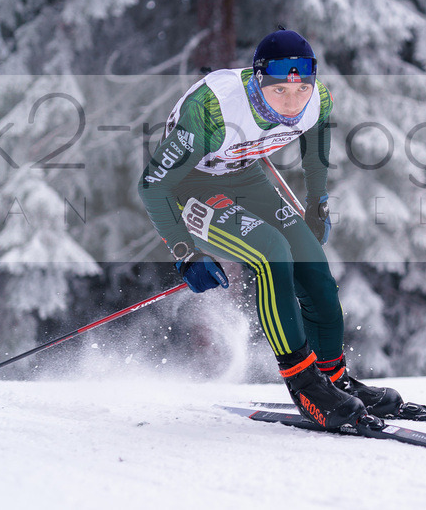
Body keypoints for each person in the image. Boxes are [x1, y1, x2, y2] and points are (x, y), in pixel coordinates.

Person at [138, 29, 402, 430]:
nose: (292, 103)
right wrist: (185, 252)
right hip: (189, 185)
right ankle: (305, 385)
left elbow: (315, 148)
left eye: (301, 90)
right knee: (272, 251)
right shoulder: (213, 109)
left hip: (244, 177)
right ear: (259, 81)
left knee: (313, 264)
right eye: (280, 92)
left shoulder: (316, 99)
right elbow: (153, 184)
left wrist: (317, 202)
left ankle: (334, 378)